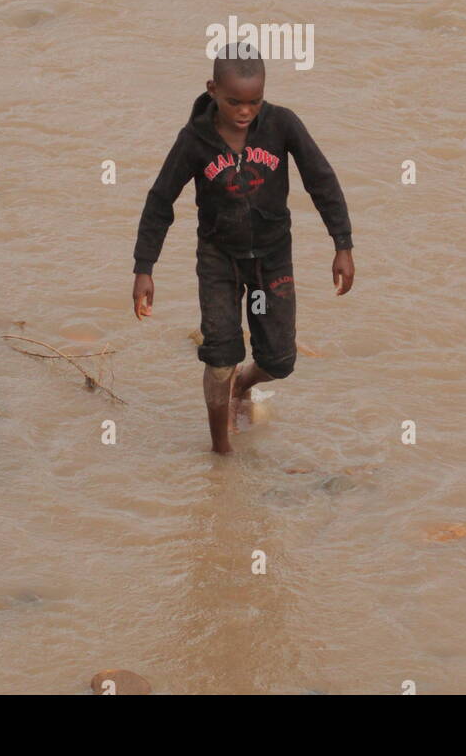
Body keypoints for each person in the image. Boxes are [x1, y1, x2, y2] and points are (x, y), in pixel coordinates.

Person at [132, 43, 354, 454]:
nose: (245, 112)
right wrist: (144, 267)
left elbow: (321, 180)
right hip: (218, 258)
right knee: (219, 356)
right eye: (234, 101)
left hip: (272, 256)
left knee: (279, 362)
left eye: (254, 101)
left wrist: (342, 243)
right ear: (212, 89)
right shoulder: (194, 141)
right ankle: (221, 450)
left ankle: (244, 385)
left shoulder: (282, 125)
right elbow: (160, 201)